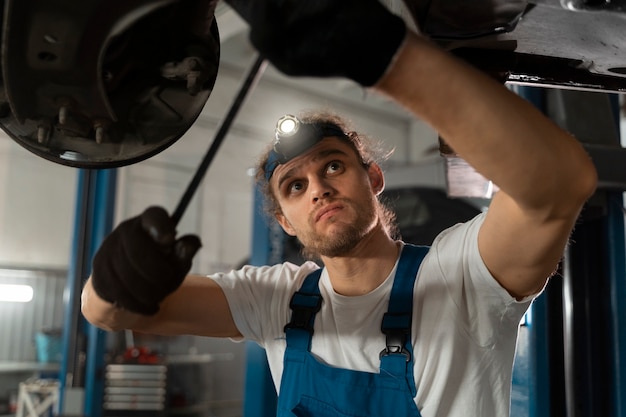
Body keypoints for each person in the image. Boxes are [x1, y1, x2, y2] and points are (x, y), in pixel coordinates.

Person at [81, 0, 598, 416]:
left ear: (372, 177)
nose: (318, 190)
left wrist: (383, 55)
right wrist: (116, 275)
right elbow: (105, 312)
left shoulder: (462, 276)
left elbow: (558, 186)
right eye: (294, 187)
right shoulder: (276, 300)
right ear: (286, 221)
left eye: (332, 166)